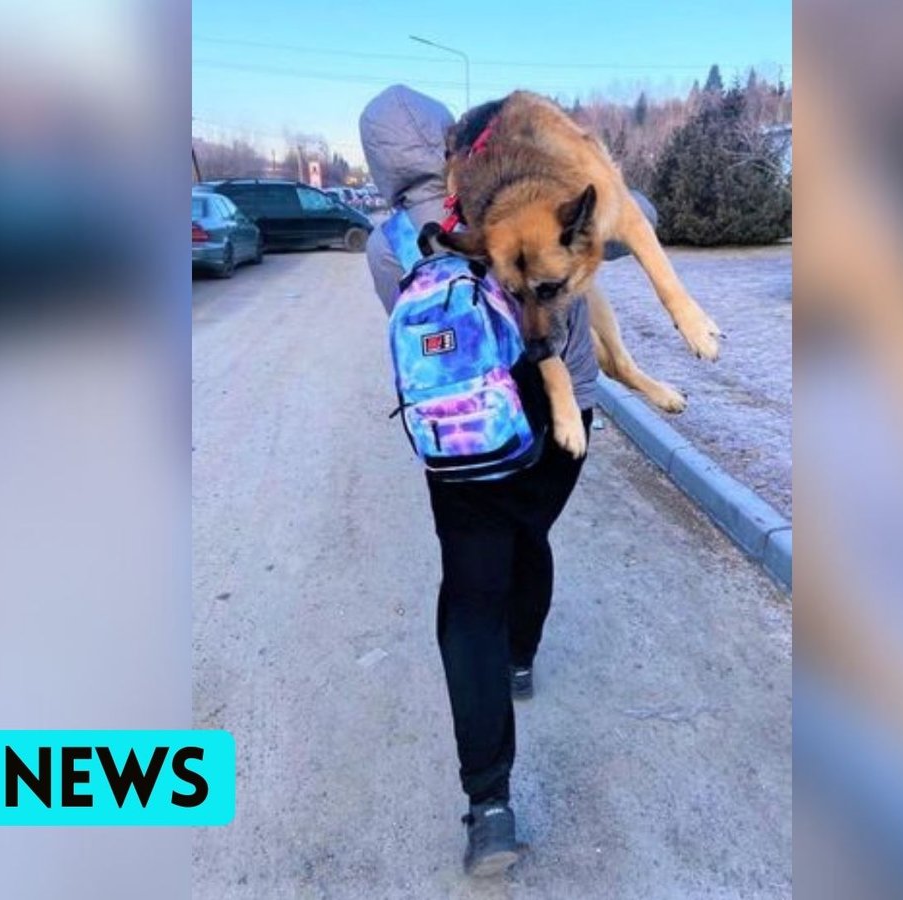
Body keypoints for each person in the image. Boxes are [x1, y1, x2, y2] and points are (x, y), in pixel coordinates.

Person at [359, 84, 655, 877]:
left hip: (463, 436)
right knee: (534, 533)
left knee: (470, 591)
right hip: (564, 417)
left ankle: (489, 805)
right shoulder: (530, 188)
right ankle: (521, 656)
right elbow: (635, 225)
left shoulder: (386, 240)